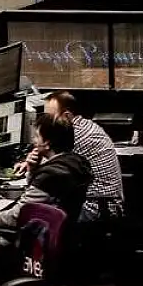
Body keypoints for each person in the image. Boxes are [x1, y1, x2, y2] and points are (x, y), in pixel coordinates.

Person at [0, 113, 90, 228]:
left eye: (37, 136)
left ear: (47, 143)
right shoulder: (76, 162)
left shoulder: (50, 175)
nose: (33, 140)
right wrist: (33, 169)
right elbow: (36, 195)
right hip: (62, 234)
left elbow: (16, 217)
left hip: (36, 238)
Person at [16, 91, 124, 222]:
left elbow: (44, 181)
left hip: (97, 207)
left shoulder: (76, 136)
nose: (46, 122)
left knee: (34, 216)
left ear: (66, 115)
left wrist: (32, 167)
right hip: (100, 203)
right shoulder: (83, 125)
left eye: (50, 117)